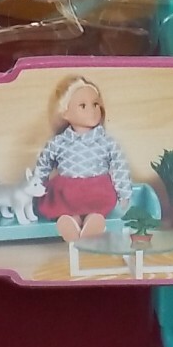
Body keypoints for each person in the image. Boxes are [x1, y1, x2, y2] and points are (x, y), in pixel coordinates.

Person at [33, 76, 133, 242]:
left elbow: (119, 165)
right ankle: (72, 222)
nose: (92, 110)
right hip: (67, 193)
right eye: (83, 106)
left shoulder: (106, 142)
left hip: (96, 191)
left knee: (95, 211)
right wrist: (36, 185)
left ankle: (92, 221)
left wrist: (124, 192)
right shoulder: (58, 142)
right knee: (68, 211)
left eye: (95, 104)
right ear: (65, 112)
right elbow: (43, 164)